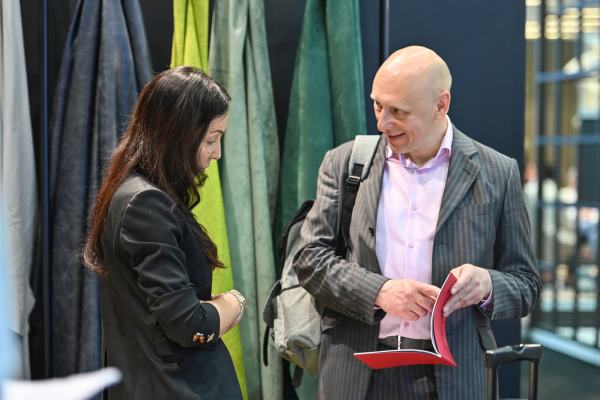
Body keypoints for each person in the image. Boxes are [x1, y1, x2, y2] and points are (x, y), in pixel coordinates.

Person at [294, 46, 542, 399]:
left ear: (441, 104)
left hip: (455, 377)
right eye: (378, 105)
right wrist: (379, 292)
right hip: (357, 371)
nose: (382, 123)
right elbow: (310, 259)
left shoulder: (498, 172)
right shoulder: (345, 163)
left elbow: (526, 284)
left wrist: (487, 284)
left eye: (398, 111)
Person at [83, 66, 245, 400]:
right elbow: (190, 325)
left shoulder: (134, 193)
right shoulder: (146, 203)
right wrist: (235, 302)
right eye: (211, 139)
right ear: (179, 134)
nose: (217, 152)